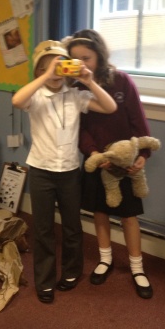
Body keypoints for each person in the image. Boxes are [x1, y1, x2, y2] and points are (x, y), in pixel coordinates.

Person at [12, 40, 117, 304]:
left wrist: (89, 81)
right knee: (43, 229)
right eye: (48, 68)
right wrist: (46, 75)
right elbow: (17, 100)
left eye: (60, 66)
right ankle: (44, 281)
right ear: (39, 71)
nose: (56, 72)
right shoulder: (35, 96)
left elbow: (110, 107)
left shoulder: (76, 95)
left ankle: (71, 272)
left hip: (69, 171)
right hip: (41, 170)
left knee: (72, 226)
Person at [65, 29, 154, 299]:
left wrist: (142, 154)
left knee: (129, 216)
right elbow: (80, 129)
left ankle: (137, 267)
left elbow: (138, 120)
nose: (82, 64)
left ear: (99, 56)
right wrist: (94, 154)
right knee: (99, 212)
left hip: (126, 161)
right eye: (75, 59)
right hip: (96, 161)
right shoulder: (74, 90)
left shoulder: (121, 81)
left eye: (87, 58)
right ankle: (105, 259)